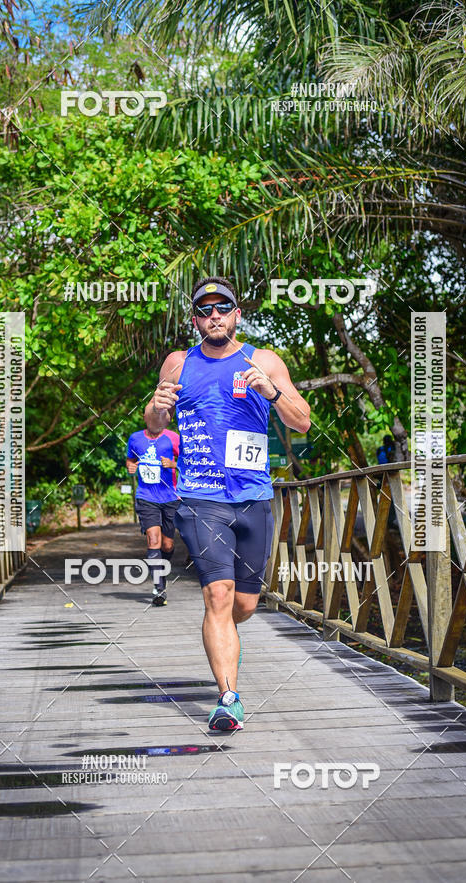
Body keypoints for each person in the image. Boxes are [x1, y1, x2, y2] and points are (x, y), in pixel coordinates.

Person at [147, 277, 310, 731]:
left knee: (243, 605)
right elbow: (155, 423)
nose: (214, 316)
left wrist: (272, 392)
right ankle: (228, 699)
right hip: (201, 498)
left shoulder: (263, 360)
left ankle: (224, 635)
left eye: (223, 308)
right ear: (195, 319)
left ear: (237, 314)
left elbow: (303, 423)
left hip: (253, 497)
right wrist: (158, 406)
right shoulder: (179, 362)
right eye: (205, 310)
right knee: (217, 595)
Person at [126, 413, 180, 606]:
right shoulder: (135, 438)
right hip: (146, 497)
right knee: (153, 539)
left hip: (170, 497)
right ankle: (159, 589)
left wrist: (173, 464)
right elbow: (130, 460)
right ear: (145, 417)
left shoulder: (173, 438)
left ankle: (162, 578)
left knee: (167, 545)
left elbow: (189, 462)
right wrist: (131, 467)